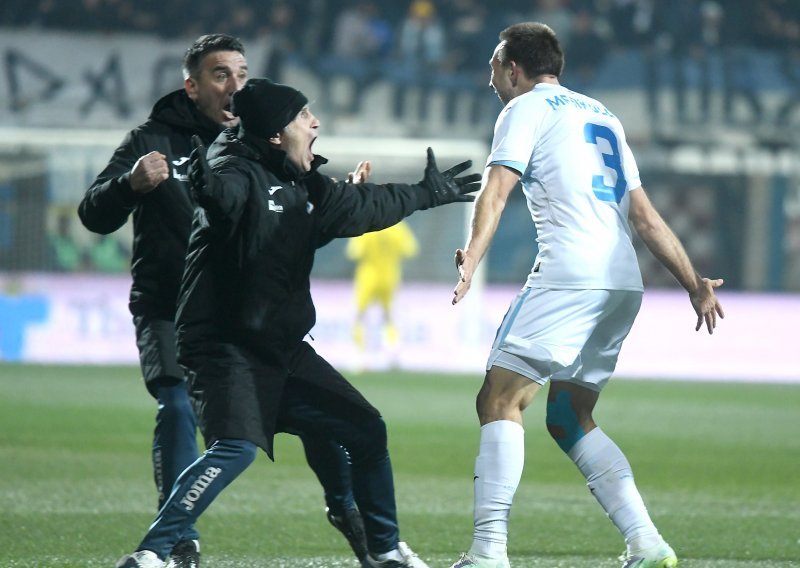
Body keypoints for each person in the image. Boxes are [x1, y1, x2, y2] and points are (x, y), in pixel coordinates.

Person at [114, 77, 480, 568]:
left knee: (366, 429)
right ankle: (151, 553)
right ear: (274, 135)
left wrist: (425, 193)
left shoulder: (304, 184)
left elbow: (365, 207)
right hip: (225, 347)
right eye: (303, 116)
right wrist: (208, 190)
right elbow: (226, 197)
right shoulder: (234, 170)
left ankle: (385, 549)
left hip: (281, 349)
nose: (315, 123)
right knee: (236, 448)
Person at [78, 34, 369, 568]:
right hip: (168, 307)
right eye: (220, 75)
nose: (235, 85)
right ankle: (179, 542)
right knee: (177, 405)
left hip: (247, 316)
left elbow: (288, 227)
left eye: (241, 74)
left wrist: (338, 203)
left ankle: (349, 510)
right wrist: (129, 185)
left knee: (312, 411)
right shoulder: (152, 140)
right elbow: (93, 214)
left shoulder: (265, 143)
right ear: (192, 87)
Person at [448, 23, 725, 568]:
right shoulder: (603, 115)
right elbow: (644, 216)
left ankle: (488, 553)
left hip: (569, 274)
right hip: (622, 281)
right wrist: (694, 283)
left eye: (494, 67)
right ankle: (647, 543)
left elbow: (496, 189)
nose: (490, 79)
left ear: (514, 69)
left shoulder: (524, 108)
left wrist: (472, 255)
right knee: (569, 416)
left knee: (499, 401)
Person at [347, 219, 419, 354]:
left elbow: (354, 252)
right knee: (389, 314)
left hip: (368, 276)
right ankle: (392, 347)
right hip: (389, 276)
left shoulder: (366, 226)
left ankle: (359, 350)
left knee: (360, 314)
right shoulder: (398, 227)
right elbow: (410, 250)